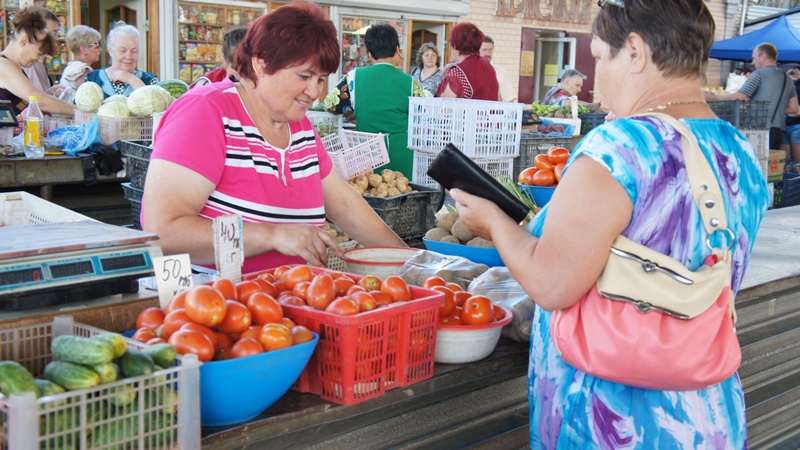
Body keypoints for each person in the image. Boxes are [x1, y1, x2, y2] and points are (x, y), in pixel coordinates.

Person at [449, 0, 769, 447]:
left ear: (635, 51)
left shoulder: (619, 145)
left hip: (614, 422)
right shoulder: (741, 151)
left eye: (600, 57)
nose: (597, 76)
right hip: (705, 414)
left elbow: (551, 283)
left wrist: (493, 222)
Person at [142, 1, 404, 273]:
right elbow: (163, 231)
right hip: (212, 304)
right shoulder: (206, 112)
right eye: (304, 76)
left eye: (321, 79)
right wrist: (272, 235)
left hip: (290, 301)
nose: (314, 91)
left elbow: (345, 205)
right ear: (260, 64)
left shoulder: (299, 127)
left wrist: (411, 263)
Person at [324, 23, 424, 176]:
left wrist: (348, 112)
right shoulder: (411, 82)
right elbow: (423, 118)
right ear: (397, 50)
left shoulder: (354, 77)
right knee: (403, 191)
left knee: (369, 194)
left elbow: (330, 105)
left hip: (367, 155)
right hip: (402, 156)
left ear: (369, 54)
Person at [705, 43, 800, 149]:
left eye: (754, 58)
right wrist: (774, 109)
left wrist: (713, 97)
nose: (753, 62)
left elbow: (739, 97)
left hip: (758, 130)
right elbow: (793, 108)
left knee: (757, 162)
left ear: (763, 56)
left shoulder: (759, 74)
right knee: (770, 163)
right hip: (779, 131)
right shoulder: (787, 78)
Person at [0, 6, 75, 116]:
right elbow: (39, 100)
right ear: (24, 42)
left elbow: (29, 103)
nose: (40, 60)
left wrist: (46, 94)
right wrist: (81, 112)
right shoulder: (3, 65)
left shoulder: (14, 67)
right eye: (39, 53)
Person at [85, 22, 158, 98]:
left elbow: (155, 106)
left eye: (134, 51)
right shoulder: (91, 79)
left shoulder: (150, 81)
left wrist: (131, 79)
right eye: (123, 50)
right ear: (110, 50)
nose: (128, 56)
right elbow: (80, 108)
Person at [435, 22, 498, 101]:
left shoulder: (457, 72)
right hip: (491, 112)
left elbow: (444, 107)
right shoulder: (487, 64)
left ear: (455, 45)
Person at [22, 9, 60, 93]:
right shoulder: (30, 62)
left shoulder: (40, 59)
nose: (57, 38)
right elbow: (36, 100)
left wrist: (50, 92)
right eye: (54, 33)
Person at [480, 35, 517, 102]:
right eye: (484, 50)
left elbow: (509, 100)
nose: (488, 53)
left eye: (490, 50)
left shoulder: (501, 73)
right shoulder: (470, 71)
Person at [782, 67, 800, 172]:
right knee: (784, 163)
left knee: (798, 164)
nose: (791, 83)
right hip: (785, 126)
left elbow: (797, 112)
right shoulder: (785, 92)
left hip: (797, 128)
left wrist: (783, 110)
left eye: (794, 80)